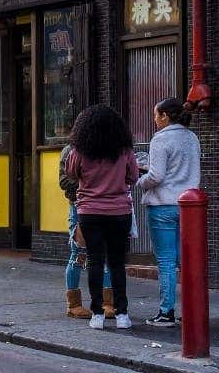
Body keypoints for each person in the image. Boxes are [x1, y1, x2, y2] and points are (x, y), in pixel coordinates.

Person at [64, 106, 139, 329]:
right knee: (117, 263)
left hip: (90, 212)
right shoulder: (124, 151)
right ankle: (122, 314)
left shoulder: (80, 151)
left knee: (95, 261)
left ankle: (97, 314)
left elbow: (70, 174)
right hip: (119, 212)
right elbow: (133, 177)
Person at [137, 97, 201, 327]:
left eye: (156, 115)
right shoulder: (192, 138)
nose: (154, 120)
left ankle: (166, 312)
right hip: (189, 206)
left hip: (163, 205)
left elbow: (156, 176)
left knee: (165, 261)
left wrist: (140, 180)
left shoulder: (161, 139)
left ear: (165, 116)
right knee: (187, 260)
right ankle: (192, 310)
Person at [60, 141, 113, 319]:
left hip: (103, 207)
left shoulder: (105, 149)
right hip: (79, 207)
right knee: (78, 255)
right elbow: (64, 181)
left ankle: (107, 303)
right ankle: (73, 305)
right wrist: (91, 183)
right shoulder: (71, 150)